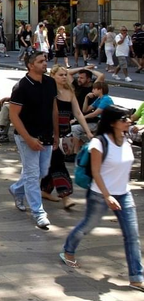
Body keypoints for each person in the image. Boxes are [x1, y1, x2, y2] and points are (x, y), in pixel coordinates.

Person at [61, 106, 144, 291]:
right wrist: (107, 196)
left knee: (132, 236)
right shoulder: (99, 143)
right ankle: (68, 250)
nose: (129, 121)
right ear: (113, 122)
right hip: (100, 194)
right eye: (124, 119)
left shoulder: (127, 139)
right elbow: (96, 172)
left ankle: (137, 277)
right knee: (87, 226)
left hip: (124, 193)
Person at [7, 51, 59, 230]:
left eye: (45, 60)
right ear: (30, 65)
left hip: (46, 136)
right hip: (26, 137)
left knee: (42, 172)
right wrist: (28, 139)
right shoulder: (21, 87)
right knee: (31, 174)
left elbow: (54, 110)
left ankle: (16, 189)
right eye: (40, 61)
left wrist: (56, 135)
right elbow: (14, 116)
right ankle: (39, 213)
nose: (45, 63)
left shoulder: (50, 83)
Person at [42, 66, 91, 211]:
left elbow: (78, 113)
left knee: (53, 162)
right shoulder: (49, 91)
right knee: (58, 163)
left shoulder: (70, 92)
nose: (64, 77)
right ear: (53, 75)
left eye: (65, 75)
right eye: (61, 75)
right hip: (50, 133)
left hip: (65, 134)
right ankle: (65, 195)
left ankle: (44, 190)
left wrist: (88, 132)